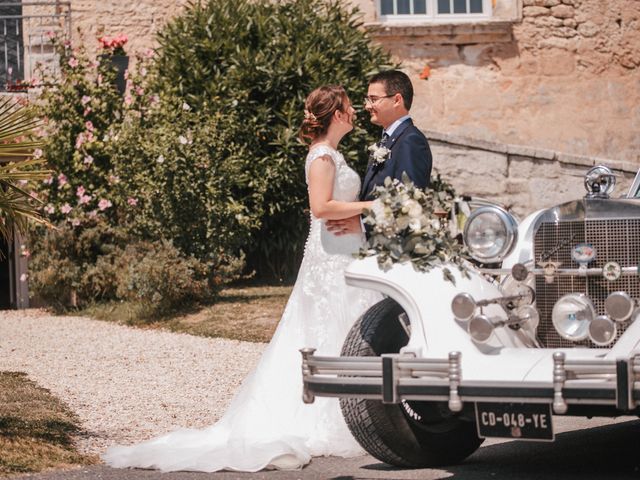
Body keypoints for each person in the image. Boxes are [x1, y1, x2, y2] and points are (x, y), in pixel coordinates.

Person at [102, 85, 381, 472]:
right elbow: (320, 208)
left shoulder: (332, 154)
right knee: (326, 327)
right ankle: (327, 416)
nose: (354, 113)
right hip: (331, 254)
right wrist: (372, 206)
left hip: (343, 247)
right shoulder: (321, 156)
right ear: (336, 114)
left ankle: (354, 410)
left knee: (344, 326)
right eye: (349, 108)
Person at [327, 69, 432, 236]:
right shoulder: (387, 139)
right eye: (367, 99)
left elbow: (409, 203)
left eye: (374, 99)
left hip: (388, 247)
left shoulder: (411, 140)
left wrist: (363, 226)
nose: (367, 106)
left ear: (397, 100)